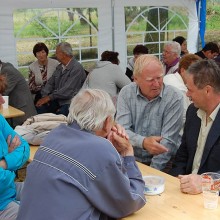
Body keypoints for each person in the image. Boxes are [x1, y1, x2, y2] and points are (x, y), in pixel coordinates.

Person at [17, 89, 146, 220]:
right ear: (107, 121)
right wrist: (127, 154)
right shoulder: (99, 149)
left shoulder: (54, 135)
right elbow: (128, 202)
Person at [116, 54, 184, 172]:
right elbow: (122, 132)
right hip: (131, 158)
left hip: (165, 162)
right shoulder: (126, 93)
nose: (157, 84)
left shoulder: (174, 97)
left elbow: (167, 143)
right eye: (150, 80)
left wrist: (151, 174)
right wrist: (143, 142)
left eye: (159, 77)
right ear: (136, 79)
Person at [170, 59, 220, 195]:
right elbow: (183, 154)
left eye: (190, 90)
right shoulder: (192, 111)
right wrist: (174, 181)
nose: (187, 94)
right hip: (185, 193)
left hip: (212, 199)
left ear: (208, 90)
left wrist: (206, 182)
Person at [0, 75, 30, 220]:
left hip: (7, 191)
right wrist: (11, 167)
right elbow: (2, 181)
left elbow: (24, 147)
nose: (2, 100)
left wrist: (4, 163)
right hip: (2, 202)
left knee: (48, 190)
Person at [35, 42, 86, 116]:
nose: (55, 55)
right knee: (40, 107)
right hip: (57, 100)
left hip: (70, 102)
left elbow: (67, 91)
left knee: (60, 114)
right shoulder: (60, 67)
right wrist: (44, 96)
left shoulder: (76, 68)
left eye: (57, 53)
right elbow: (50, 83)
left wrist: (49, 97)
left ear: (64, 54)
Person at [163, 54, 201, 128]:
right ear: (183, 70)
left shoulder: (168, 77)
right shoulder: (180, 90)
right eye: (194, 72)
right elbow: (186, 119)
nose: (197, 75)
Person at [0, 60, 37, 126]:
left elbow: (2, 92)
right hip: (14, 110)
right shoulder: (4, 68)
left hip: (22, 112)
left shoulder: (7, 71)